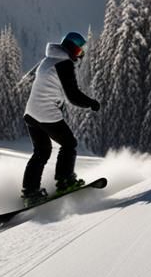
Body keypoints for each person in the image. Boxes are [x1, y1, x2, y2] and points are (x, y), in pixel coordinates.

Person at [21, 31, 99, 205]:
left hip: (31, 113)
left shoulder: (47, 60)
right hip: (45, 113)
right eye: (78, 51)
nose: (79, 56)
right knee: (69, 144)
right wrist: (91, 103)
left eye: (81, 52)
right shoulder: (64, 64)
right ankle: (65, 181)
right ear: (70, 48)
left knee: (41, 152)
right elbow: (73, 96)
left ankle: (30, 192)